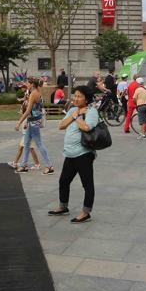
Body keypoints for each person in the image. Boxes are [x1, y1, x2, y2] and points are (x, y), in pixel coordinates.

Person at [48, 85, 100, 223]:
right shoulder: (72, 110)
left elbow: (86, 127)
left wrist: (76, 117)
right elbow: (61, 125)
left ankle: (86, 212)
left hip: (83, 154)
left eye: (79, 96)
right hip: (70, 154)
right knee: (63, 181)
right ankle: (63, 207)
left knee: (87, 184)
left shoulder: (91, 111)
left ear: (86, 98)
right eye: (75, 96)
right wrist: (73, 115)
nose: (76, 98)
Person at [15, 78, 55, 174]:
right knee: (27, 143)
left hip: (33, 122)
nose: (26, 85)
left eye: (28, 83)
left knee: (39, 143)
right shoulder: (37, 92)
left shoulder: (33, 94)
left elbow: (28, 111)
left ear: (32, 84)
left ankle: (49, 166)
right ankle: (24, 165)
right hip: (33, 121)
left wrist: (19, 122)